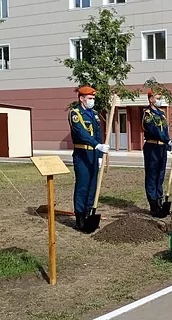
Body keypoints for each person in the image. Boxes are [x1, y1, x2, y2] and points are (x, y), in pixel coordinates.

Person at [68, 86, 110, 232]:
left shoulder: (95, 114)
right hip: (82, 154)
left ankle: (88, 215)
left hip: (93, 154)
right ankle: (79, 219)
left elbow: (98, 134)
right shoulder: (75, 114)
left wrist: (99, 155)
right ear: (81, 98)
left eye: (93, 98)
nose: (92, 101)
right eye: (90, 98)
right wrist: (97, 145)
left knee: (92, 186)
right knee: (82, 186)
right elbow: (81, 134)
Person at [142, 89, 172, 218]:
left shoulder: (162, 114)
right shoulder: (147, 114)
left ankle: (159, 201)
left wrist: (169, 143)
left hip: (162, 148)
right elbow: (154, 131)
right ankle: (153, 205)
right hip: (152, 147)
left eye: (160, 98)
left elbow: (165, 131)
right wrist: (168, 141)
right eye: (157, 98)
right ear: (151, 99)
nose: (159, 100)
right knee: (152, 175)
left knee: (160, 175)